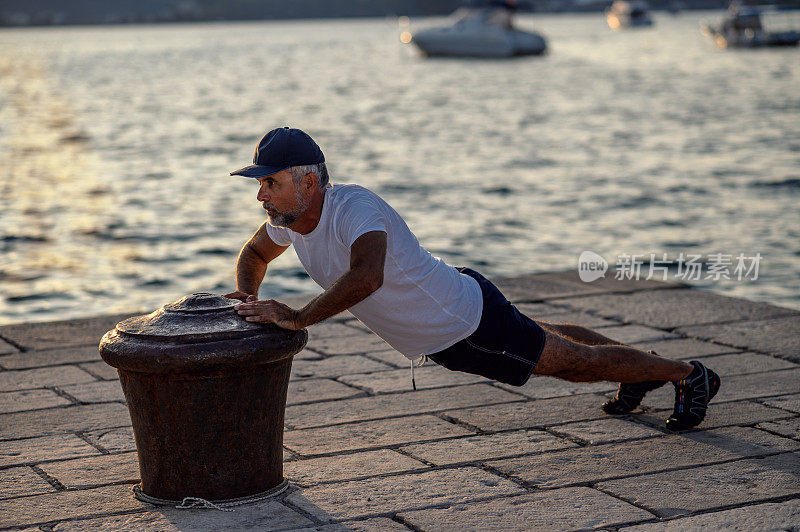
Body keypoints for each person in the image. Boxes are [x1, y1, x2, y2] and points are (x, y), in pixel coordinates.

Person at [226, 127, 721, 431]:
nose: (261, 195)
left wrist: (296, 316)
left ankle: (688, 375)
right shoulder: (288, 223)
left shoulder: (355, 208)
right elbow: (254, 253)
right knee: (565, 346)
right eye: (261, 184)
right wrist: (249, 299)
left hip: (465, 325)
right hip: (458, 306)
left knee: (575, 365)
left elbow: (367, 275)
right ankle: (642, 370)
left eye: (271, 182)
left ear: (308, 181)